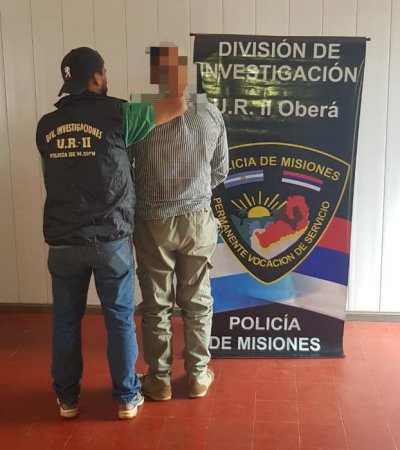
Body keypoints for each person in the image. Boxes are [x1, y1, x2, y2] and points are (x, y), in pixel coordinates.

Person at [35, 46, 186, 420]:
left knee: (65, 322)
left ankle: (67, 400)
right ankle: (126, 398)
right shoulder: (121, 114)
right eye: (104, 72)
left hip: (63, 241)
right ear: (97, 77)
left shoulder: (46, 126)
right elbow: (177, 104)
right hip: (110, 239)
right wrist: (171, 62)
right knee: (119, 320)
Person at [130, 45, 229, 400]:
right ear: (185, 74)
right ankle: (198, 375)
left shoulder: (140, 112)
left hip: (153, 221)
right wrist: (195, 192)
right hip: (198, 220)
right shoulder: (210, 113)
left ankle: (159, 380)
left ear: (155, 76)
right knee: (197, 299)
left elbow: (125, 168)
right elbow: (220, 171)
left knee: (156, 303)